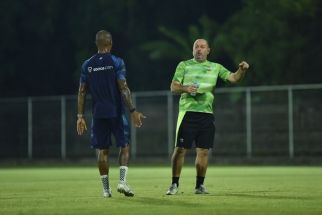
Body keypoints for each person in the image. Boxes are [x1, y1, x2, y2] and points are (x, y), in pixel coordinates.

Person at [166, 39, 249, 195]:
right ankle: (174, 184)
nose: (199, 49)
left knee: (203, 151)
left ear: (208, 50)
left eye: (202, 47)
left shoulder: (215, 67)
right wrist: (185, 88)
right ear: (192, 50)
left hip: (207, 114)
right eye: (196, 47)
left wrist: (242, 70)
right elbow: (173, 87)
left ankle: (199, 186)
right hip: (187, 113)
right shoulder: (184, 65)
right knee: (180, 149)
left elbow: (233, 78)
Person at [76, 30, 145, 198]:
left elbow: (82, 91)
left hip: (98, 113)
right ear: (111, 44)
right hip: (117, 112)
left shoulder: (87, 64)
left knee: (103, 151)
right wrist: (133, 110)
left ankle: (106, 190)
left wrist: (80, 116)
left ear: (97, 44)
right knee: (125, 146)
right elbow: (123, 88)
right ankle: (122, 182)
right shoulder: (116, 62)